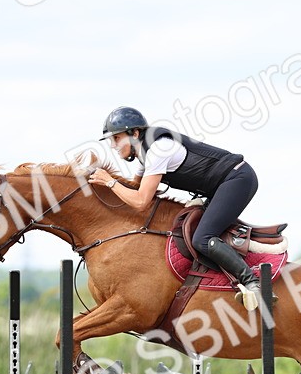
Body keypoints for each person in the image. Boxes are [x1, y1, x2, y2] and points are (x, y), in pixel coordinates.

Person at [88, 106, 263, 310]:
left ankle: (252, 282)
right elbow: (134, 187)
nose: (113, 146)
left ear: (134, 133)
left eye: (116, 138)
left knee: (202, 238)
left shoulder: (158, 149)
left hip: (238, 179)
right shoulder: (145, 154)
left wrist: (109, 182)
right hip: (223, 185)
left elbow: (141, 201)